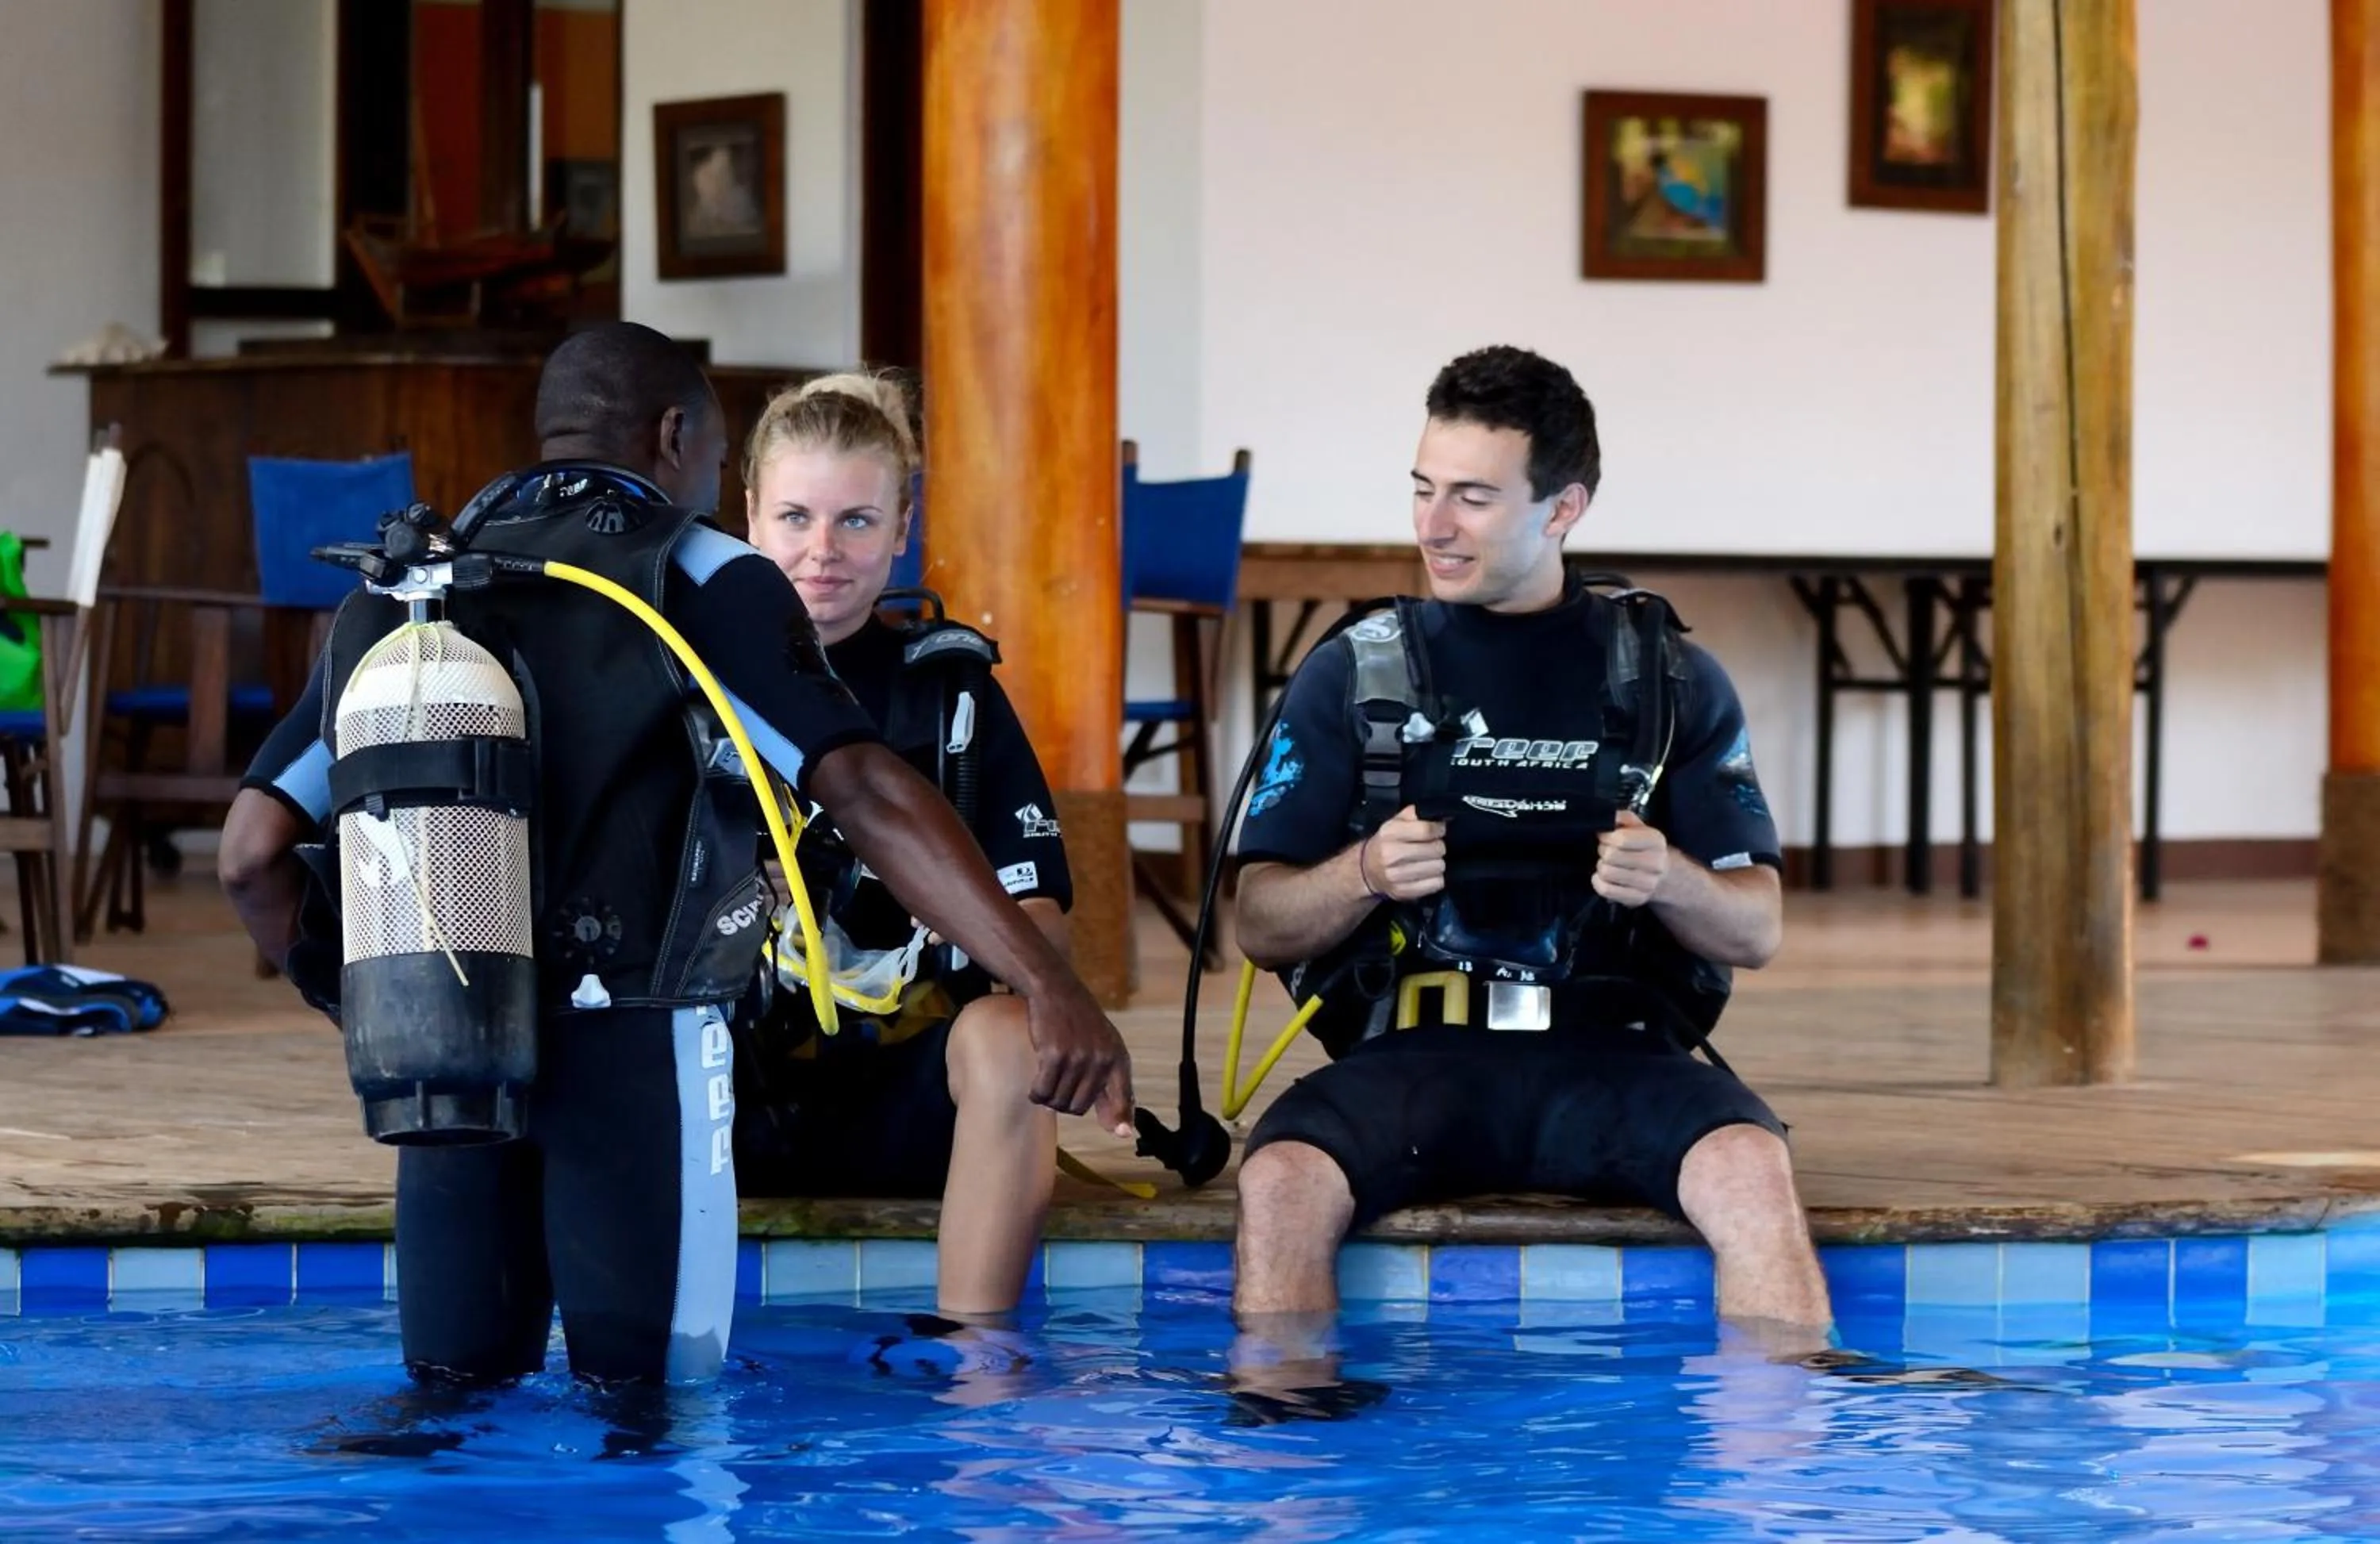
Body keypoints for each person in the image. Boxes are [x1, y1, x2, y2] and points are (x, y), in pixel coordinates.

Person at [218, 322, 1134, 1388]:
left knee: (453, 1406)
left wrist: (365, 1001)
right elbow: (864, 785)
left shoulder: (409, 582)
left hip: (449, 1058)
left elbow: (250, 854)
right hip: (638, 1052)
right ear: (674, 436)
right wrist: (1047, 977)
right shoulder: (698, 571)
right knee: (653, 1413)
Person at [1226, 345, 1832, 1392]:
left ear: (1564, 507)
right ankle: (1290, 1458)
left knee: (1750, 1165)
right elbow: (1259, 920)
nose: (1433, 523)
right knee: (1280, 1180)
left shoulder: (1666, 676)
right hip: (1414, 1054)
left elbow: (1757, 927)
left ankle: (1776, 1465)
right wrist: (1366, 869)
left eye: (1472, 496)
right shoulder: (1356, 671)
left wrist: (1672, 878)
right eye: (1422, 489)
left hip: (1615, 1051)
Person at [728, 371, 1073, 1320]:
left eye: (856, 521)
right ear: (749, 513)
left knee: (1018, 1030)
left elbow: (1043, 914)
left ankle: (978, 1373)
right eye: (795, 516)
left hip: (916, 1096)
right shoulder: (683, 685)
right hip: (725, 1096)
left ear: (903, 526)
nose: (822, 553)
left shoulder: (950, 693)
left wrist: (1047, 985)